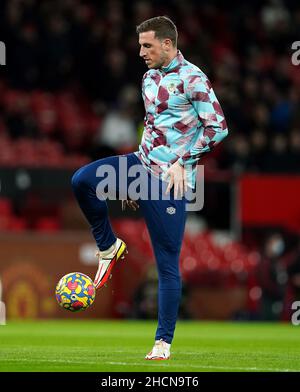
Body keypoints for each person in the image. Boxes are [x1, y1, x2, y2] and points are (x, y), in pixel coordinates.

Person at [71, 16, 228, 360]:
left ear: (168, 44)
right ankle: (109, 246)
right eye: (140, 44)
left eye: (147, 45)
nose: (141, 51)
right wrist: (131, 182)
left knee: (167, 263)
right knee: (82, 180)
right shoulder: (148, 78)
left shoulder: (193, 79)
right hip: (142, 166)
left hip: (170, 182)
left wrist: (182, 160)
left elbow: (217, 128)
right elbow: (154, 129)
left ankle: (163, 342)